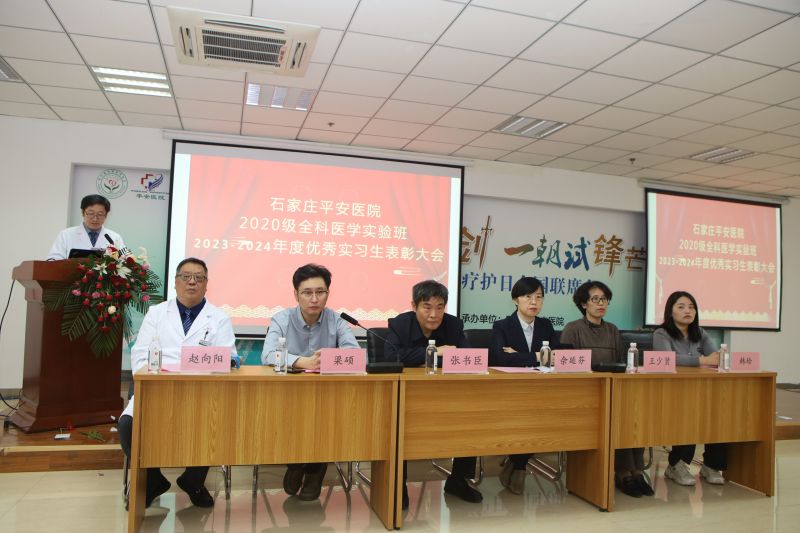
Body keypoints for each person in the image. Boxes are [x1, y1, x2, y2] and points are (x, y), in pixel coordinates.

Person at [117, 257, 239, 508]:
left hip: (202, 393)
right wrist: (160, 376)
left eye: (199, 278)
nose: (192, 282)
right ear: (175, 282)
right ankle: (153, 481)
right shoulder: (157, 313)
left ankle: (193, 481)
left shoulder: (219, 318)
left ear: (206, 284)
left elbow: (228, 358)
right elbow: (140, 355)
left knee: (215, 422)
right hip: (157, 390)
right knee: (128, 425)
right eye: (186, 277)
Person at [261, 263, 359, 501]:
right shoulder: (282, 319)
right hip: (289, 395)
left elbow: (355, 355)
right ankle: (296, 463)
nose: (314, 299)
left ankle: (315, 468)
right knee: (290, 416)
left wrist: (330, 359)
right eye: (307, 292)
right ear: (296, 294)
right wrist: (301, 361)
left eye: (320, 292)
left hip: (327, 396)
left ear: (328, 293)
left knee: (327, 417)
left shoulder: (337, 320)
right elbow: (267, 355)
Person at [384, 280, 482, 508]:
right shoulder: (400, 324)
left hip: (447, 394)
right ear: (414, 306)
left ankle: (458, 480)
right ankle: (399, 483)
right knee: (401, 422)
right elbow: (391, 357)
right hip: (408, 395)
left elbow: (467, 358)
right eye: (427, 307)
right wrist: (436, 352)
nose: (434, 314)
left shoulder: (453, 325)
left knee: (471, 416)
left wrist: (421, 359)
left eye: (440, 307)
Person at [560, 281, 654, 498]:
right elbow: (565, 365)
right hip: (584, 395)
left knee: (633, 414)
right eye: (595, 299)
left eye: (604, 299)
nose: (601, 303)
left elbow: (622, 363)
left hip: (613, 390)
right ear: (584, 304)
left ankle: (637, 472)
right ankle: (623, 473)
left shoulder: (612, 330)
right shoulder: (573, 329)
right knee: (615, 418)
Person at [489, 276, 558, 495]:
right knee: (527, 415)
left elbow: (555, 357)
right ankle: (519, 466)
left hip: (541, 390)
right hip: (509, 391)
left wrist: (519, 355)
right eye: (528, 296)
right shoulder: (502, 326)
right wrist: (537, 355)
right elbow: (501, 359)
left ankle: (517, 464)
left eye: (539, 297)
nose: (534, 301)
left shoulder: (546, 325)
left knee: (542, 415)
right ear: (515, 300)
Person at [654, 290, 727, 487]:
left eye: (691, 307)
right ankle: (676, 465)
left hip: (702, 389)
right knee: (689, 413)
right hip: (672, 392)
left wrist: (706, 360)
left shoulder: (700, 333)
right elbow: (667, 359)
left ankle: (711, 465)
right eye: (681, 307)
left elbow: (715, 358)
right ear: (670, 312)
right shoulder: (661, 333)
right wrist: (701, 360)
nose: (688, 311)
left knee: (719, 413)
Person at [47, 194, 125, 259]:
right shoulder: (65, 234)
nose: (95, 219)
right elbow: (53, 259)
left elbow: (127, 259)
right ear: (82, 212)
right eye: (91, 213)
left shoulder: (115, 237)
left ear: (106, 215)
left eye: (100, 214)